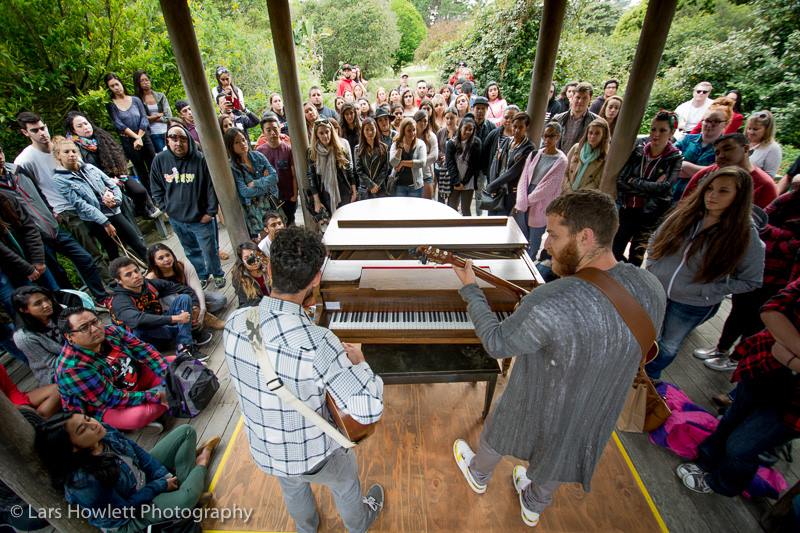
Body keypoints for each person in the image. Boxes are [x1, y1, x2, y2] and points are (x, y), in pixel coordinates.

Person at [451, 190, 666, 527]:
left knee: (506, 422)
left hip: (539, 397)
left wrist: (471, 289)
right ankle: (534, 504)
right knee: (570, 441)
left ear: (585, 237)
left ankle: (478, 473)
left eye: (553, 234)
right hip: (598, 402)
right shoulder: (651, 285)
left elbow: (496, 343)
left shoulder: (554, 299)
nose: (546, 243)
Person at [224, 227, 384, 533]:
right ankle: (359, 523)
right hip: (315, 455)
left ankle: (306, 527)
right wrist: (361, 364)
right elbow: (369, 409)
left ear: (269, 268)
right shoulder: (319, 343)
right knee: (347, 482)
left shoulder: (235, 323)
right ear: (316, 280)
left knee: (293, 488)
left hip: (266, 447)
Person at [676, 278, 800, 497]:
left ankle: (722, 484)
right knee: (731, 419)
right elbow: (772, 311)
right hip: (764, 367)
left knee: (742, 447)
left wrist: (790, 357)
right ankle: (706, 460)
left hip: (793, 404)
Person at [644, 166, 765, 380]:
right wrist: (653, 265)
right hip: (657, 291)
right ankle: (634, 376)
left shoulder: (745, 233)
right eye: (710, 188)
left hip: (691, 304)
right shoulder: (686, 214)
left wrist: (707, 290)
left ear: (739, 196)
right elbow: (656, 239)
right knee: (645, 337)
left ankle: (649, 379)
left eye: (723, 191)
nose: (712, 195)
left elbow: (751, 280)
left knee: (669, 346)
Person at [36, 412, 219, 532]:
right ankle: (201, 462)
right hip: (130, 515)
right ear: (72, 448)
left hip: (141, 478)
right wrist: (159, 485)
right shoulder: (84, 481)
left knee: (185, 432)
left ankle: (189, 488)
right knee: (184, 500)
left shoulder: (104, 431)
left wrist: (163, 475)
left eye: (87, 418)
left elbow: (140, 453)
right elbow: (124, 510)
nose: (93, 424)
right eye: (83, 429)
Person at [694, 186, 800, 371]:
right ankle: (721, 349)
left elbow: (788, 243)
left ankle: (737, 358)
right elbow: (759, 222)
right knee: (737, 311)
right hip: (753, 267)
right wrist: (771, 234)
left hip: (780, 280)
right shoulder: (789, 198)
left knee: (757, 319)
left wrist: (767, 234)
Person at [0, 143, 110, 299]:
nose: (0, 157)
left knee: (84, 257)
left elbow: (38, 191)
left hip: (51, 225)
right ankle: (74, 305)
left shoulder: (18, 170)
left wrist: (50, 210)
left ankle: (101, 297)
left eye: (0, 152)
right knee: (57, 273)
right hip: (33, 237)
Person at [55, 306, 170, 431]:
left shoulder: (110, 331)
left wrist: (167, 375)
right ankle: (171, 394)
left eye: (95, 321)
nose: (94, 329)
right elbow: (111, 398)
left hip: (136, 378)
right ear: (69, 336)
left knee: (174, 364)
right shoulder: (72, 369)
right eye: (84, 328)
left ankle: (171, 394)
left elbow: (144, 350)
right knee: (140, 415)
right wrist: (156, 396)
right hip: (109, 406)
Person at [150, 123, 226, 289]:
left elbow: (211, 187)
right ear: (167, 140)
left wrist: (211, 212)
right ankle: (201, 274)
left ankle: (217, 273)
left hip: (201, 218)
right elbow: (156, 187)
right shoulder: (160, 160)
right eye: (173, 138)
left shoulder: (200, 160)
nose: (178, 143)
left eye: (182, 138)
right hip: (177, 218)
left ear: (189, 140)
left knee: (209, 249)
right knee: (190, 249)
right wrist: (165, 208)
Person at [51, 137, 148, 261]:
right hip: (96, 219)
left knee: (137, 243)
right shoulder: (60, 179)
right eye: (66, 152)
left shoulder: (89, 168)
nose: (71, 155)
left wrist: (116, 200)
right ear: (58, 156)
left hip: (113, 210)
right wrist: (104, 222)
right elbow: (80, 204)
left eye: (73, 151)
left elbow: (112, 184)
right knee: (113, 251)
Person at [613, 111, 683, 266]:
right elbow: (621, 180)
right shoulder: (639, 150)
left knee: (636, 255)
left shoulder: (674, 158)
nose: (656, 134)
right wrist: (649, 186)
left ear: (671, 132)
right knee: (615, 250)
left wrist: (634, 181)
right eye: (653, 129)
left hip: (650, 212)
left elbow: (665, 188)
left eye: (662, 130)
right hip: (628, 208)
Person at [109, 256, 210, 358]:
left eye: (136, 271)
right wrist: (175, 319)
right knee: (139, 328)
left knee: (184, 299)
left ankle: (184, 346)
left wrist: (195, 307)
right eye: (128, 275)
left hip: (162, 326)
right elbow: (137, 319)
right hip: (145, 340)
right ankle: (187, 333)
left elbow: (183, 289)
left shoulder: (148, 284)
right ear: (119, 280)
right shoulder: (119, 300)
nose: (136, 276)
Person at [64, 111, 160, 219]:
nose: (85, 127)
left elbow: (117, 156)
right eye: (79, 126)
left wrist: (119, 174)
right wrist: (107, 182)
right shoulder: (73, 147)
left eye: (86, 123)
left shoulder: (101, 136)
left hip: (116, 175)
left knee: (140, 191)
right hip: (100, 184)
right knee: (120, 203)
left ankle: (140, 211)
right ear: (73, 130)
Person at [681, 133, 779, 209]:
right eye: (717, 153)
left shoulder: (764, 185)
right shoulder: (705, 174)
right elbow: (683, 205)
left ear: (746, 149)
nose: (721, 156)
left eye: (727, 149)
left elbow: (765, 224)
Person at [514, 122, 567, 258]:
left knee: (534, 241)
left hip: (541, 202)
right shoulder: (535, 154)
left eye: (551, 136)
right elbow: (524, 178)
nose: (547, 140)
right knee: (521, 237)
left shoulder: (561, 160)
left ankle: (530, 268)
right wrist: (521, 200)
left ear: (558, 137)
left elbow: (548, 187)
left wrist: (526, 201)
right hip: (525, 197)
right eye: (545, 136)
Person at [146, 243, 227, 331]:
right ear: (154, 262)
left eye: (168, 255)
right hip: (172, 307)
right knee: (173, 297)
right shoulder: (151, 278)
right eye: (161, 258)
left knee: (220, 300)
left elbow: (197, 289)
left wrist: (202, 308)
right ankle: (205, 318)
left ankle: (196, 315)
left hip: (192, 297)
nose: (166, 259)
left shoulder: (183, 265)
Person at [104, 73, 156, 192]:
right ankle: (152, 197)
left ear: (121, 83)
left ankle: (163, 190)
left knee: (154, 165)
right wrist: (136, 138)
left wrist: (139, 137)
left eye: (117, 84)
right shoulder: (111, 105)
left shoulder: (136, 100)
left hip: (144, 137)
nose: (116, 87)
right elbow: (118, 124)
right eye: (112, 86)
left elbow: (144, 118)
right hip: (128, 140)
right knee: (140, 170)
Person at [224, 128, 279, 239]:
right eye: (237, 142)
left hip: (270, 201)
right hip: (254, 209)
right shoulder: (233, 166)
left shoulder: (258, 156)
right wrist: (266, 184)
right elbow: (245, 192)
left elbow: (275, 177)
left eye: (243, 140)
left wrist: (255, 182)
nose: (242, 144)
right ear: (230, 146)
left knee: (278, 232)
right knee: (264, 238)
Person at [673, 106, 730, 200]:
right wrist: (702, 171)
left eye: (716, 121)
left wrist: (684, 165)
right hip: (671, 193)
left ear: (725, 124)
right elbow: (667, 161)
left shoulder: (726, 148)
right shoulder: (687, 139)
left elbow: (716, 174)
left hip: (698, 199)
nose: (710, 125)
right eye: (707, 120)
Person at [11, 286, 64, 386]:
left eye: (47, 299)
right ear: (24, 309)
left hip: (79, 354)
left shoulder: (58, 313)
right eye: (38, 303)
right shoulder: (24, 337)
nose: (46, 305)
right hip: (55, 374)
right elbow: (53, 364)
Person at [485, 112, 534, 217]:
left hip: (509, 193)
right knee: (490, 221)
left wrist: (493, 185)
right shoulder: (506, 141)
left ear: (527, 127)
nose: (516, 130)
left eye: (521, 127)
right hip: (496, 190)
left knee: (502, 223)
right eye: (515, 126)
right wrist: (492, 185)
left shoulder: (528, 148)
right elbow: (494, 164)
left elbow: (514, 171)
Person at [308, 118, 357, 216]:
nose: (325, 136)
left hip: (343, 190)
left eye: (327, 132)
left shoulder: (340, 148)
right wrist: (316, 200)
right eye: (321, 133)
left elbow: (349, 170)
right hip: (325, 193)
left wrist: (354, 191)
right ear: (316, 135)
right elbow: (311, 176)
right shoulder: (312, 152)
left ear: (331, 132)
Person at [257, 114, 298, 226]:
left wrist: (295, 195)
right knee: (275, 225)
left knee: (290, 222)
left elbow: (294, 175)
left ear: (279, 128)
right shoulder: (260, 151)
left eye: (275, 129)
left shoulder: (288, 149)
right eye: (268, 130)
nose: (272, 133)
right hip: (270, 197)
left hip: (288, 196)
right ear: (263, 132)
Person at [446, 115, 482, 215]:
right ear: (461, 127)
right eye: (466, 128)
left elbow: (474, 166)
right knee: (452, 207)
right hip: (454, 180)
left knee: (465, 208)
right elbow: (450, 164)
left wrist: (464, 182)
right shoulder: (451, 143)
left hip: (468, 181)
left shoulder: (476, 143)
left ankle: (468, 229)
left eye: (471, 129)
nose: (468, 132)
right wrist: (457, 182)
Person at [562, 118, 610, 193]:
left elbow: (597, 182)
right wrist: (568, 190)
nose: (592, 136)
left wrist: (578, 194)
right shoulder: (576, 148)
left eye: (597, 133)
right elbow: (564, 171)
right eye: (590, 133)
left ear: (603, 136)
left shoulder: (605, 157)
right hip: (565, 191)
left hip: (584, 197)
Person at [552, 82, 599, 154]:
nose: (580, 101)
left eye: (584, 98)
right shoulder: (558, 119)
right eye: (578, 97)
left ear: (590, 99)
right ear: (572, 97)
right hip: (557, 161)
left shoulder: (596, 122)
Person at [132, 70, 172, 153]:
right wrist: (158, 115)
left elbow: (169, 116)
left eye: (146, 79)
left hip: (167, 131)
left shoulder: (161, 96)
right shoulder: (137, 100)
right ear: (138, 83)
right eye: (141, 81)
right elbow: (141, 119)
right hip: (152, 134)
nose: (145, 82)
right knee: (163, 155)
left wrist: (150, 118)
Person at [390, 117, 426, 199]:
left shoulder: (420, 144)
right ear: (403, 132)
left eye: (414, 130)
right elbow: (393, 163)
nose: (412, 133)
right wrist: (399, 149)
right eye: (409, 130)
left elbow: (422, 163)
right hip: (399, 185)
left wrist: (402, 163)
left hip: (415, 186)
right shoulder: (395, 144)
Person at [355, 117, 390, 199]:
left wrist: (376, 185)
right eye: (366, 129)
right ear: (363, 131)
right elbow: (359, 170)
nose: (370, 132)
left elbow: (385, 169)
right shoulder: (358, 149)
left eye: (372, 129)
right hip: (365, 189)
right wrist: (371, 185)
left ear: (376, 130)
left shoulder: (384, 147)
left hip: (380, 188)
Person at [232, 242, 270, 308]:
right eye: (247, 258)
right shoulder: (238, 278)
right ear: (242, 261)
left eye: (255, 255)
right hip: (255, 308)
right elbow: (251, 302)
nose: (253, 261)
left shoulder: (268, 266)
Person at [746, 110, 782, 178]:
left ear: (767, 130)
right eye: (749, 128)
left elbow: (769, 177)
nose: (751, 132)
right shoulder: (742, 142)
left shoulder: (773, 148)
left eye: (755, 129)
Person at [436, 107, 459, 204]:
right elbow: (436, 148)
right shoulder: (440, 132)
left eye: (452, 118)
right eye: (447, 118)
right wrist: (441, 156)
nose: (449, 121)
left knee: (453, 196)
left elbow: (462, 150)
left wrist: (450, 158)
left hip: (455, 168)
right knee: (441, 194)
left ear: (456, 118)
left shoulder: (460, 132)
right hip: (441, 167)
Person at [414, 110, 438, 199]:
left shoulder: (431, 136)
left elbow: (434, 156)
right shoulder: (410, 134)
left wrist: (417, 163)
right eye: (420, 120)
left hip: (426, 175)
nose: (423, 123)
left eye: (425, 121)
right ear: (415, 121)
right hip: (412, 176)